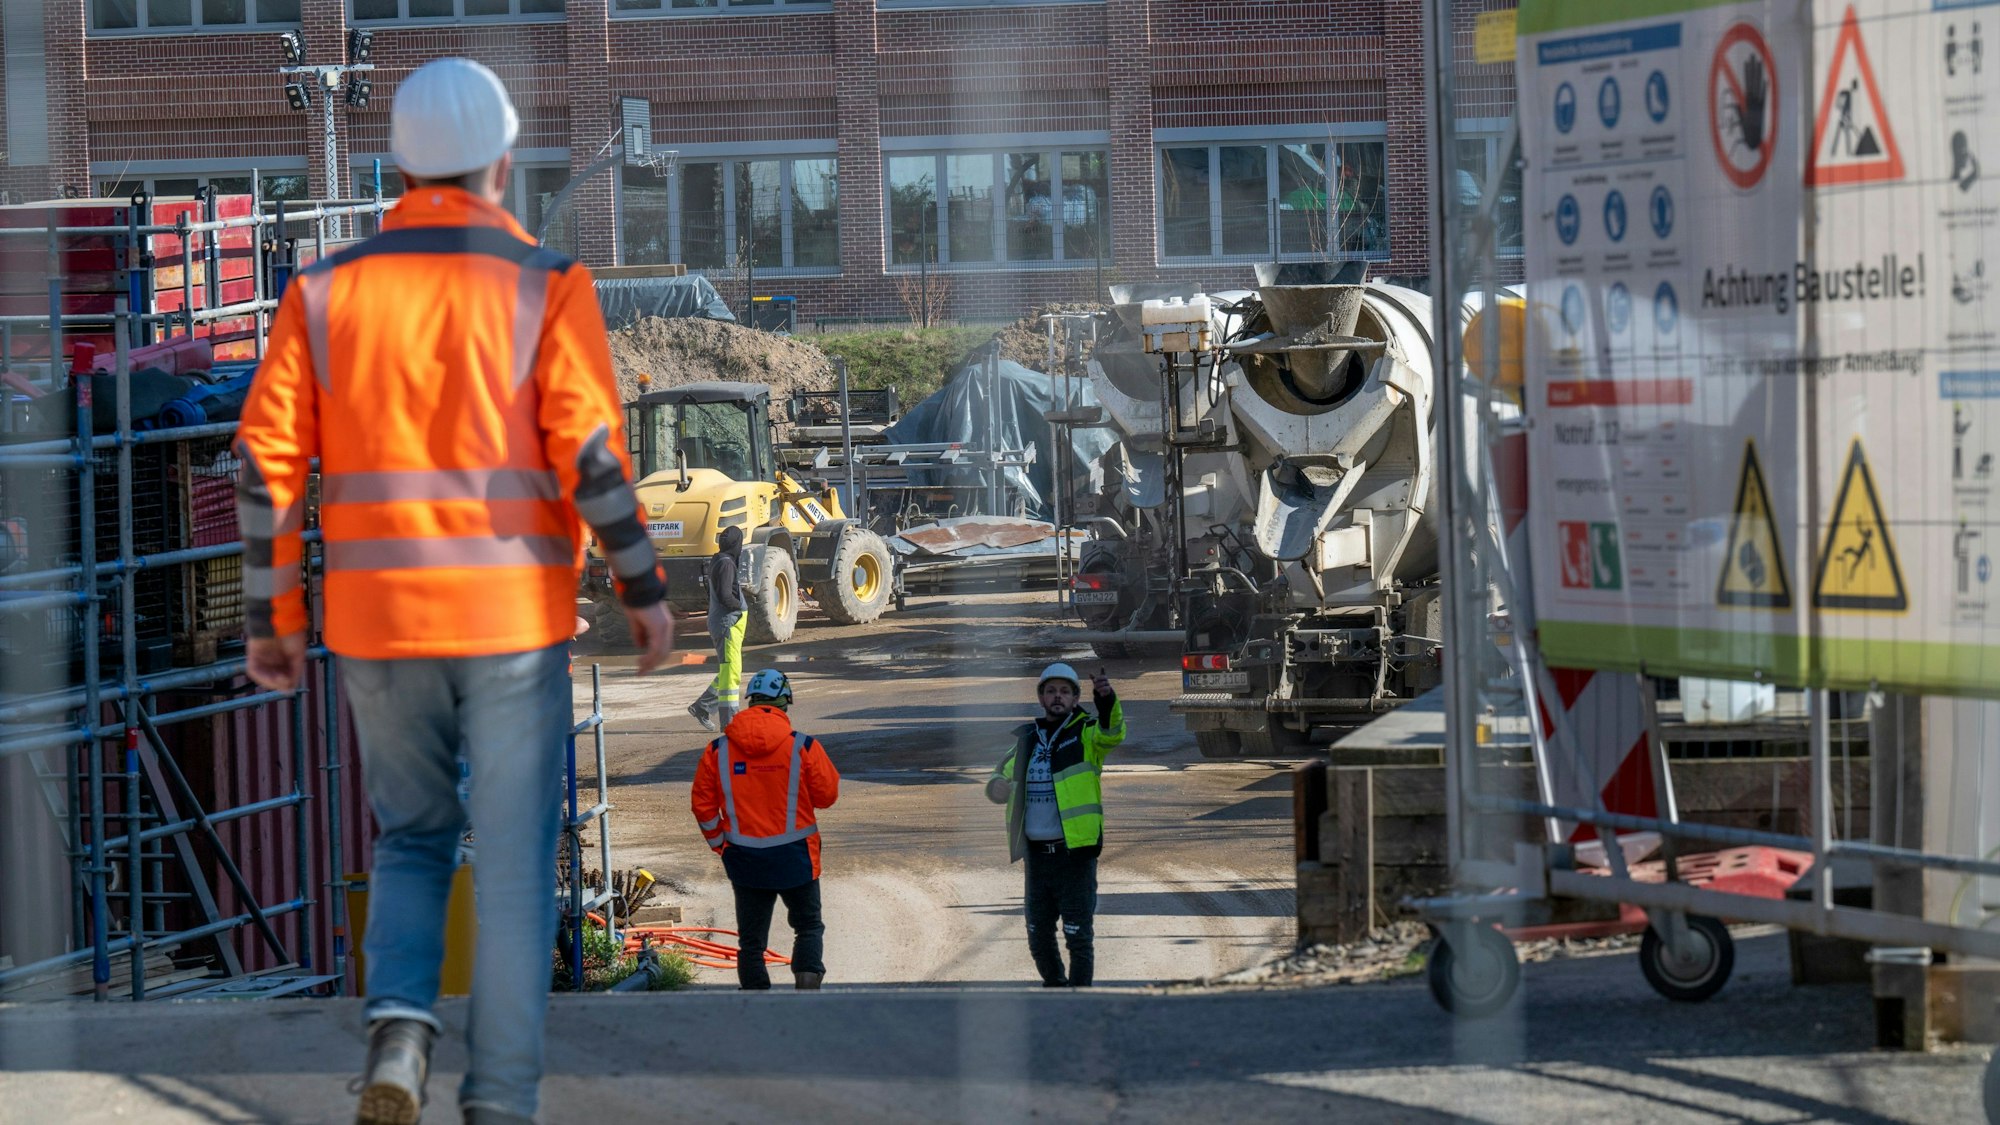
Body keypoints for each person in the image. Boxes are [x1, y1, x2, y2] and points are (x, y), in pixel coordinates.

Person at [234, 57, 674, 1125]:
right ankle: (502, 1102)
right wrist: (643, 588)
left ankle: (397, 1032)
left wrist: (274, 618)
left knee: (412, 838)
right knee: (516, 864)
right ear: (504, 162)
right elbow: (596, 462)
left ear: (394, 164)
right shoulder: (546, 286)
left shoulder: (322, 293)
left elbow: (262, 464)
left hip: (378, 629)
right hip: (512, 628)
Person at [690, 669, 839, 990]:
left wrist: (721, 845)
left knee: (752, 942)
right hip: (797, 856)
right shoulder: (803, 747)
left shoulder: (718, 751)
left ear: (750, 702)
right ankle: (807, 985)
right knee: (809, 926)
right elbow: (827, 797)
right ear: (785, 702)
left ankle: (757, 1009)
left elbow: (702, 805)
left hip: (744, 858)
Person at [985, 663, 1123, 987]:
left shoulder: (1087, 734)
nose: (1057, 697)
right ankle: (1056, 989)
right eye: (1051, 691)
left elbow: (1113, 732)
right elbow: (998, 774)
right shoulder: (1027, 739)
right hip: (1036, 857)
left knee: (1078, 935)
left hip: (1075, 855)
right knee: (1037, 935)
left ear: (1075, 698)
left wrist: (1107, 700)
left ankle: (1078, 1001)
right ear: (1041, 698)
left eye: (1064, 691)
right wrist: (996, 788)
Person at [688, 525, 750, 731]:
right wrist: (739, 607)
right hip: (728, 623)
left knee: (729, 670)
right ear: (736, 544)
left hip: (726, 623)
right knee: (731, 675)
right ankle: (730, 722)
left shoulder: (720, 560)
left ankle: (703, 707)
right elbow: (725, 595)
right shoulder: (725, 564)